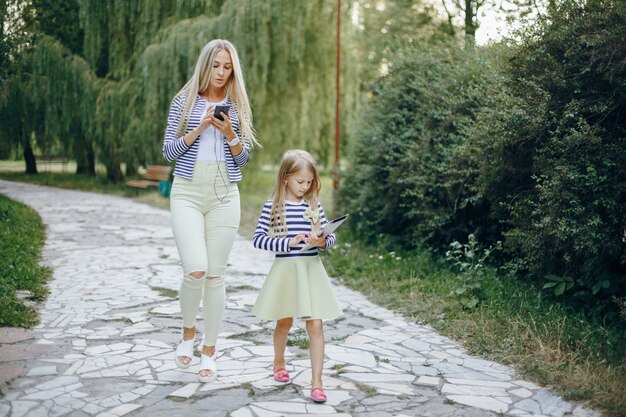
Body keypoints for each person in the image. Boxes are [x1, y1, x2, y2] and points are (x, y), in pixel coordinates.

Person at [162, 39, 259, 383]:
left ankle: (209, 350)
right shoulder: (183, 102)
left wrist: (230, 131)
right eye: (216, 65)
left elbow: (243, 158)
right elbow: (168, 152)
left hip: (224, 196)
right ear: (206, 65)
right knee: (196, 269)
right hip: (187, 192)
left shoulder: (238, 105)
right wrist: (200, 127)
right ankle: (188, 334)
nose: (221, 73)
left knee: (216, 276)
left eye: (227, 67)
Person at [251, 149, 343, 403]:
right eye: (299, 181)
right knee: (285, 322)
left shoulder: (313, 206)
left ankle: (317, 382)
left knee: (315, 324)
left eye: (309, 182)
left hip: (311, 270)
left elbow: (329, 235)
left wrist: (322, 241)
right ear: (285, 179)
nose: (305, 187)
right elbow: (258, 239)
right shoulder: (274, 206)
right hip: (287, 272)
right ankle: (279, 363)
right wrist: (287, 243)